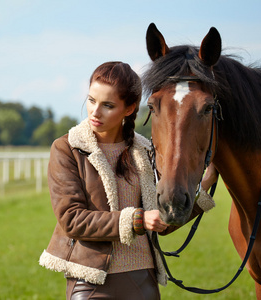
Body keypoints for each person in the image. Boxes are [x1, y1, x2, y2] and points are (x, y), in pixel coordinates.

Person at [39, 61, 216, 299]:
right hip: (91, 282)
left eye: (108, 105)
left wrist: (206, 184)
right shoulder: (67, 148)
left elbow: (162, 220)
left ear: (129, 108)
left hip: (144, 281)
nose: (95, 112)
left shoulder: (144, 151)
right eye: (92, 100)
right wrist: (138, 219)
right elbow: (72, 219)